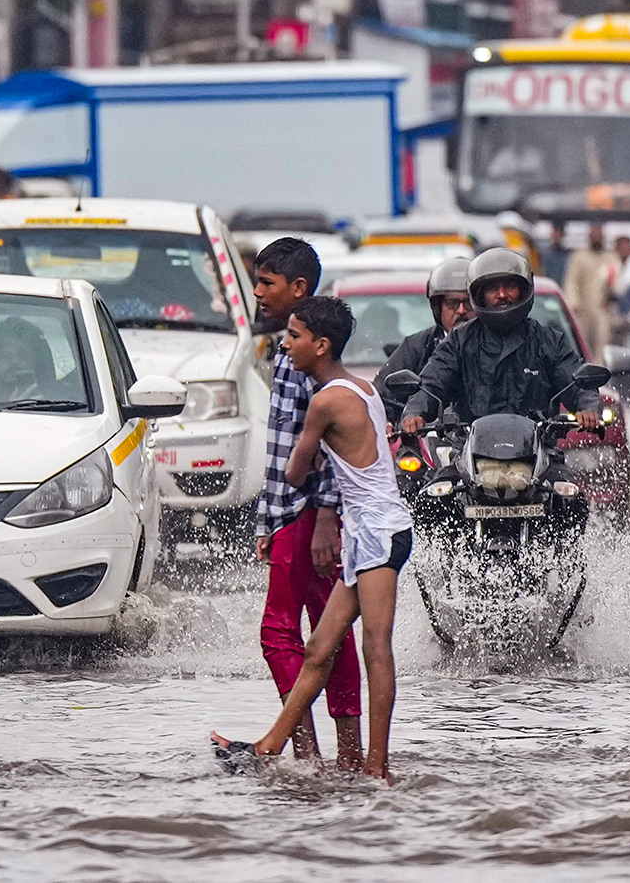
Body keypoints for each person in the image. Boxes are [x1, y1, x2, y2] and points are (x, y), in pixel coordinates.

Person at [213, 296, 412, 783]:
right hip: (372, 533)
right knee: (320, 648)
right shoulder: (362, 388)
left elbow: (294, 473)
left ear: (321, 346)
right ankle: (268, 746)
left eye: (295, 337)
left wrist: (306, 441)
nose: (286, 343)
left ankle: (377, 768)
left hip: (380, 533)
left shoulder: (324, 401)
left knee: (375, 649)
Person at [250, 237, 363, 770]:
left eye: (266, 283)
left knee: (281, 631)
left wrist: (323, 516)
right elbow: (281, 445)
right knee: (326, 634)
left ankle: (308, 751)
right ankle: (342, 756)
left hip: (308, 514)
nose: (257, 293)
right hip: (287, 513)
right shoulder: (287, 348)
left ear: (298, 289)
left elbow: (331, 449)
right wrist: (266, 521)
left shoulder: (308, 353)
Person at [400, 247, 602, 435]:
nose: (502, 294)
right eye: (493, 289)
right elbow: (433, 382)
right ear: (479, 295)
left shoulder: (549, 341)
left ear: (524, 290)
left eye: (510, 286)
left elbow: (576, 382)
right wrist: (415, 412)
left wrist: (588, 408)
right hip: (470, 452)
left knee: (563, 476)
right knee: (442, 475)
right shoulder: (459, 341)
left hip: (539, 451)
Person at [373, 256, 474, 424]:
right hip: (428, 443)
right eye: (452, 303)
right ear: (437, 307)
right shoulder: (416, 347)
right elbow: (381, 398)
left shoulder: (499, 344)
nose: (462, 310)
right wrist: (394, 421)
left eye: (468, 302)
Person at [563, 223, 621, 360]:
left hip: (602, 309)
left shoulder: (610, 258)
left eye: (599, 235)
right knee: (582, 343)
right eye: (593, 235)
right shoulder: (579, 257)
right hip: (582, 309)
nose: (596, 238)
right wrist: (574, 303)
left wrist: (612, 297)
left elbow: (617, 282)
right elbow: (571, 281)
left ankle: (601, 371)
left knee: (602, 342)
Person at [0, 317, 60, 402]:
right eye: (5, 355)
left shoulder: (60, 402)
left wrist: (36, 406)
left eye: (23, 356)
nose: (14, 362)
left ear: (35, 360)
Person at [538, 221, 571, 287]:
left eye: (559, 234)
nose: (556, 236)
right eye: (554, 233)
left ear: (562, 236)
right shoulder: (544, 253)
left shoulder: (567, 255)